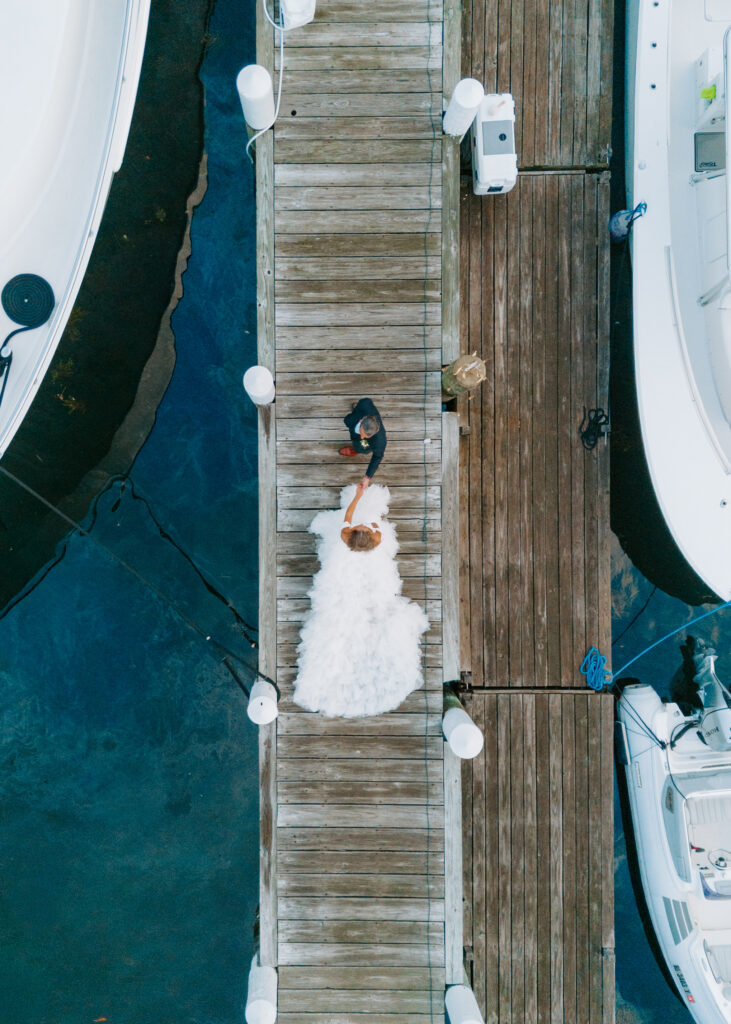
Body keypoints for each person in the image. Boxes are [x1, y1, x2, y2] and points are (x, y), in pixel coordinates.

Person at [292, 482, 428, 717]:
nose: (363, 524)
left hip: (351, 561)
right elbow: (375, 529)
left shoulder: (346, 535)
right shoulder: (375, 538)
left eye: (362, 526)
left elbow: (349, 515)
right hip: (367, 562)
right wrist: (373, 523)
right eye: (363, 526)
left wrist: (357, 497)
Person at [340, 398, 387, 487]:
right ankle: (356, 409)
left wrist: (367, 477)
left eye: (366, 436)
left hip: (366, 444)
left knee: (362, 448)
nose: (362, 437)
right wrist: (357, 411)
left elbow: (377, 457)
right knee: (347, 420)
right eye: (362, 433)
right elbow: (348, 419)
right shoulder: (365, 403)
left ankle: (356, 450)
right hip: (356, 418)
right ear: (361, 421)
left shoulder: (380, 442)